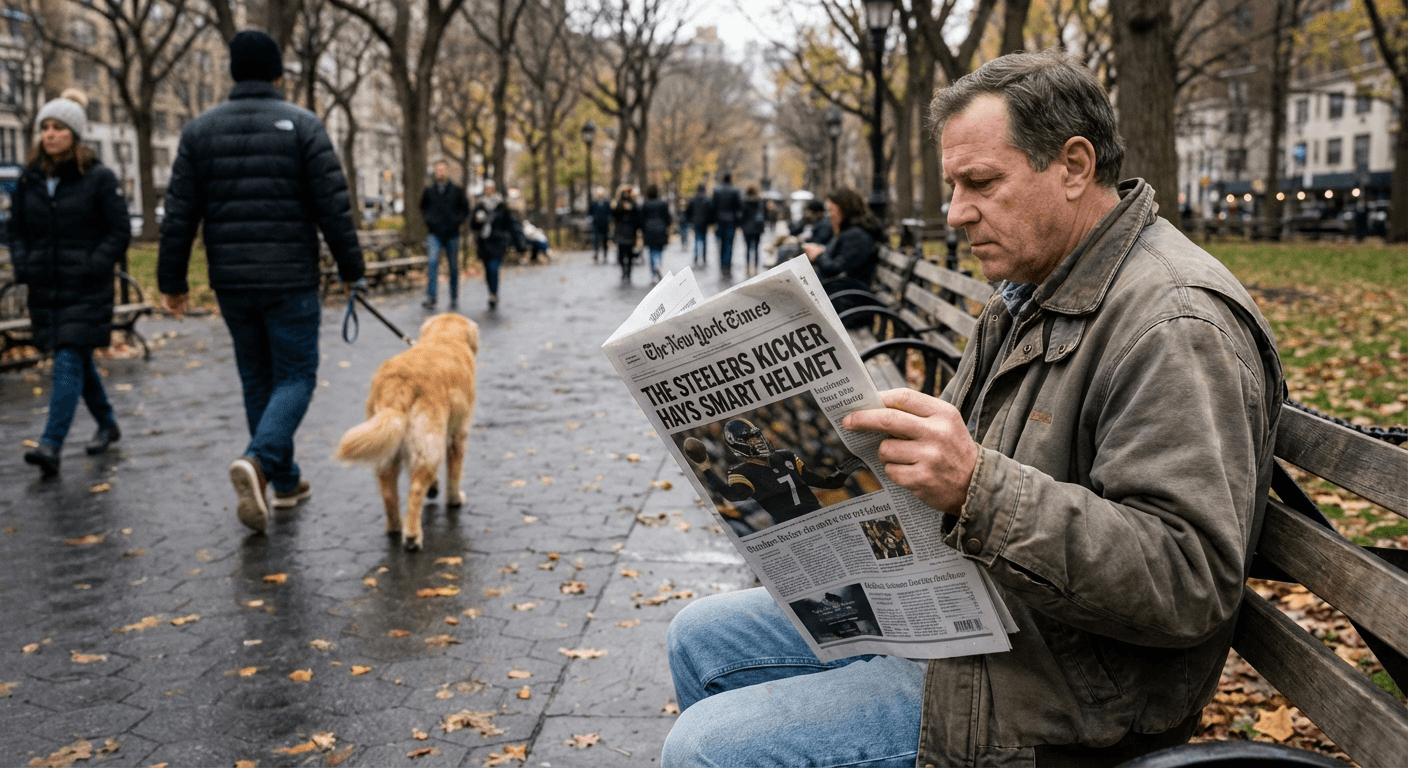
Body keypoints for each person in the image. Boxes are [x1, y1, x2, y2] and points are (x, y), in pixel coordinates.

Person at [662, 49, 1285, 768]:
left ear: (1074, 166)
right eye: (954, 185)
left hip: (1058, 692)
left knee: (705, 749)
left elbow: (1188, 580)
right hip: (979, 610)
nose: (956, 212)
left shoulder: (1175, 324)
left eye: (981, 183)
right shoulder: (1035, 285)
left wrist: (974, 486)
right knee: (701, 636)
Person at [158, 30, 365, 534]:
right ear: (276, 72)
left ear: (233, 70)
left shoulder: (199, 131)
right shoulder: (303, 125)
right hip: (290, 278)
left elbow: (179, 215)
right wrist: (351, 269)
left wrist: (172, 281)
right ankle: (260, 461)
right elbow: (333, 207)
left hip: (231, 282)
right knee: (295, 376)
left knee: (256, 378)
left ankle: (285, 480)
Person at [11, 89, 130, 478]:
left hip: (86, 288)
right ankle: (107, 423)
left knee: (66, 357)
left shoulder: (98, 178)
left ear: (75, 134)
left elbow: (119, 230)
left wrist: (95, 263)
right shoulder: (29, 179)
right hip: (46, 288)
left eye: (58, 127)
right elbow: (16, 230)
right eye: (44, 127)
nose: (49, 134)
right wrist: (24, 264)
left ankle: (50, 444)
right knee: (77, 359)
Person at [688, 418, 865, 527]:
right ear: (738, 444)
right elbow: (733, 496)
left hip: (820, 517)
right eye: (750, 438)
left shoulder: (785, 456)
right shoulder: (742, 472)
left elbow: (827, 483)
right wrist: (706, 468)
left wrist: (843, 473)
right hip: (793, 529)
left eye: (757, 436)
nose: (758, 440)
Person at [804, 187, 883, 320]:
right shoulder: (850, 232)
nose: (830, 216)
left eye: (832, 210)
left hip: (849, 304)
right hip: (841, 297)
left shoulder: (857, 236)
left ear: (845, 210)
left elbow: (836, 269)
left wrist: (819, 255)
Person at [419, 160, 470, 309]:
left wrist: (457, 222)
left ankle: (454, 297)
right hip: (434, 234)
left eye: (443, 169)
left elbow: (465, 209)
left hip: (452, 234)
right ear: (435, 172)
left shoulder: (457, 190)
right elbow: (423, 208)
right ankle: (431, 297)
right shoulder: (429, 190)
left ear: (447, 171)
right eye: (438, 170)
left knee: (453, 267)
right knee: (433, 262)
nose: (441, 172)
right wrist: (429, 221)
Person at [470, 180, 525, 309]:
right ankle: (491, 292)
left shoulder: (501, 205)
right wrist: (477, 220)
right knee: (488, 270)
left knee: (494, 267)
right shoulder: (479, 206)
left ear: (494, 189)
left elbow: (510, 224)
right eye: (487, 188)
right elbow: (472, 225)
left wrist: (518, 242)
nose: (489, 190)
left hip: (498, 242)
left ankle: (494, 295)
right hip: (484, 243)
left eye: (491, 188)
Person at [639, 183, 673, 281]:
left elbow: (641, 219)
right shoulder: (663, 203)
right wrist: (666, 226)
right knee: (659, 250)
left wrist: (643, 229)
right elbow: (667, 217)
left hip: (649, 230)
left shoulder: (645, 204)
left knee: (651, 251)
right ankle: (658, 264)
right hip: (661, 230)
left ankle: (653, 271)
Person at [711, 172, 742, 277]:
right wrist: (738, 221)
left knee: (721, 244)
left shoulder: (717, 191)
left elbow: (713, 207)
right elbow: (738, 207)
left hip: (719, 221)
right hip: (731, 222)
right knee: (729, 245)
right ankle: (727, 266)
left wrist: (713, 221)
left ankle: (722, 265)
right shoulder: (735, 191)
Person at [611, 184, 641, 282]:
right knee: (621, 254)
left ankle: (628, 272)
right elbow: (614, 216)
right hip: (620, 232)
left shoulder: (634, 203)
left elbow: (638, 217)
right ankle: (623, 271)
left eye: (628, 192)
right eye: (625, 192)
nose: (626, 194)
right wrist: (619, 207)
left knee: (630, 254)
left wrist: (632, 208)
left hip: (630, 232)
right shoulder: (618, 203)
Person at [739, 185, 766, 276]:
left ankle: (747, 266)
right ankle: (756, 267)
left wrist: (741, 225)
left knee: (747, 248)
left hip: (747, 228)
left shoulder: (744, 202)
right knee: (756, 248)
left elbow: (742, 216)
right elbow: (764, 214)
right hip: (757, 228)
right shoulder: (760, 202)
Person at [684, 183, 713, 268]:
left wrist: (689, 220)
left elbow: (688, 211)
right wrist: (710, 221)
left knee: (697, 239)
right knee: (704, 240)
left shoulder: (693, 199)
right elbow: (710, 211)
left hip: (695, 222)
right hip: (704, 222)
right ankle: (704, 258)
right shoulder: (707, 199)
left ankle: (696, 258)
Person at [589, 190, 612, 264]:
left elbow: (610, 212)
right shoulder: (593, 203)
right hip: (596, 224)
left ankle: (605, 255)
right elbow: (589, 212)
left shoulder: (606, 203)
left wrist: (608, 219)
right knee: (596, 239)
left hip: (605, 225)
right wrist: (591, 219)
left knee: (605, 240)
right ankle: (596, 253)